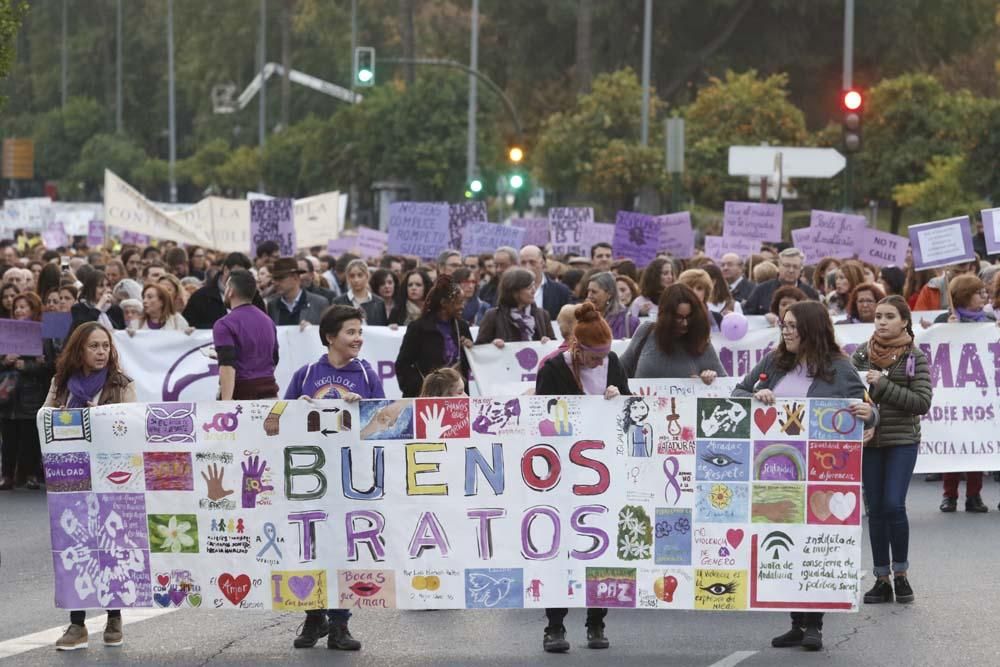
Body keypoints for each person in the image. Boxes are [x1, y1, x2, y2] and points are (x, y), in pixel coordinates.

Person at [733, 301, 876, 651]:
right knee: (783, 542)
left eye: (793, 325)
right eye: (784, 324)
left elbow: (868, 411)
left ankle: (815, 623)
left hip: (822, 474)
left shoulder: (839, 368)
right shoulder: (773, 362)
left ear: (811, 328)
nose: (786, 330)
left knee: (815, 546)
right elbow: (737, 393)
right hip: (774, 471)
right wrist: (757, 395)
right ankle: (796, 622)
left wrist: (867, 414)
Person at [535, 302, 630, 653]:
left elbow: (631, 409)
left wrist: (618, 398)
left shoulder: (614, 364)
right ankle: (554, 626)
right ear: (577, 347)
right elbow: (541, 419)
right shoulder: (553, 368)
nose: (599, 363)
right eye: (594, 357)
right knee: (560, 547)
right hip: (562, 471)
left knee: (599, 547)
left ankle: (596, 622)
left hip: (604, 471)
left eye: (604, 357)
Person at [286, 305, 379, 651]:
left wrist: (362, 406)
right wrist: (301, 406)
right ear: (330, 337)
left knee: (341, 546)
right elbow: (281, 419)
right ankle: (314, 616)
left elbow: (378, 423)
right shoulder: (307, 372)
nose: (357, 339)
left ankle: (340, 623)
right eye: (350, 332)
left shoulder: (367, 374)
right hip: (310, 476)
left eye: (360, 332)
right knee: (308, 543)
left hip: (349, 474)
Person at [48, 322, 136, 650]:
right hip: (71, 479)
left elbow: (132, 426)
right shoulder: (61, 384)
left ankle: (114, 617)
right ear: (79, 350)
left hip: (110, 476)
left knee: (110, 548)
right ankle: (77, 624)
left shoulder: (121, 384)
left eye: (105, 346)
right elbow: (44, 418)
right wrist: (57, 417)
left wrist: (104, 419)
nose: (101, 352)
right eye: (94, 346)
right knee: (74, 548)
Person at [850, 296, 932, 604]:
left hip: (901, 442)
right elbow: (846, 392)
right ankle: (881, 578)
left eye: (889, 316)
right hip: (869, 443)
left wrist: (883, 385)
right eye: (878, 317)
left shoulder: (915, 357)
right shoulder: (861, 354)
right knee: (876, 510)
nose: (881, 321)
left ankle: (901, 574)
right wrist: (864, 417)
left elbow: (922, 402)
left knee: (894, 505)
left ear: (904, 322)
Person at [932, 274, 994, 511]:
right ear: (965, 296)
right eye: (979, 293)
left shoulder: (988, 320)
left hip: (979, 392)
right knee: (953, 444)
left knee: (976, 444)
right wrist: (945, 330)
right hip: (952, 391)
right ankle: (949, 495)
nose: (984, 296)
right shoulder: (944, 318)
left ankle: (974, 496)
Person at [620, 283, 725, 382]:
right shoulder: (646, 331)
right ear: (666, 316)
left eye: (689, 317)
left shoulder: (701, 342)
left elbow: (725, 384)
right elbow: (620, 369)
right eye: (679, 318)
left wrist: (711, 379)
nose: (685, 323)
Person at [0, 292, 50, 491]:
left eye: (24, 306)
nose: (19, 310)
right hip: (8, 394)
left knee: (30, 437)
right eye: (17, 307)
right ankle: (7, 475)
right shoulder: (5, 332)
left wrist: (26, 366)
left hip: (31, 393)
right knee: (8, 438)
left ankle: (30, 474)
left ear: (34, 309)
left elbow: (48, 365)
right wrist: (5, 361)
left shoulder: (42, 333)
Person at [395, 275, 473, 398]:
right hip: (427, 399)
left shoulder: (462, 327)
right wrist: (423, 389)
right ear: (444, 303)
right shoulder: (418, 328)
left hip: (457, 399)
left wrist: (469, 350)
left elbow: (467, 367)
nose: (462, 306)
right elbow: (403, 365)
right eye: (458, 302)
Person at [213, 269, 279, 401]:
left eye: (226, 287)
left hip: (242, 397)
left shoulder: (224, 324)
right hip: (270, 395)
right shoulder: (268, 321)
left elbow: (227, 365)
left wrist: (225, 403)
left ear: (230, 291)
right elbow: (274, 358)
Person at [183, 252, 265, 329]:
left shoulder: (254, 297)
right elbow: (189, 325)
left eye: (244, 274)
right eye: (236, 273)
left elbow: (262, 324)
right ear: (226, 270)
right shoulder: (201, 297)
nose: (239, 278)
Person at [476, 268, 554, 347]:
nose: (534, 290)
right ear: (514, 292)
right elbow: (479, 348)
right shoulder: (493, 315)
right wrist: (493, 344)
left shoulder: (542, 315)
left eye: (534, 285)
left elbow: (555, 348)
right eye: (529, 287)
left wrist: (549, 342)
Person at [743, 248, 819, 315]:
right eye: (787, 265)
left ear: (801, 269)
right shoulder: (761, 290)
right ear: (779, 266)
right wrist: (765, 318)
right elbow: (747, 315)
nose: (791, 270)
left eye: (795, 267)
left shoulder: (810, 293)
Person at [267, 257, 333, 327]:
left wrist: (313, 330)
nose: (275, 283)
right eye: (274, 279)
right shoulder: (272, 305)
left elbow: (329, 332)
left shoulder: (319, 303)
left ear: (295, 278)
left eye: (280, 278)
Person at [520, 245, 571, 321]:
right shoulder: (511, 290)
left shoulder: (561, 291)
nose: (527, 267)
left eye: (532, 262)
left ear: (542, 263)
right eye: (523, 263)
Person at [70, 269, 126, 335]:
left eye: (107, 285)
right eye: (101, 286)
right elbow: (85, 328)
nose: (106, 289)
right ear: (91, 288)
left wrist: (128, 332)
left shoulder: (115, 309)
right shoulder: (78, 308)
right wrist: (99, 305)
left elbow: (121, 330)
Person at [586, 271, 639, 339]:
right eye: (588, 291)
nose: (589, 296)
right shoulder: (584, 318)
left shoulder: (629, 322)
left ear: (609, 294)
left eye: (594, 292)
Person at [333, 259, 387, 325]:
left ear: (367, 276)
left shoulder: (379, 302)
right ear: (347, 278)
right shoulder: (338, 302)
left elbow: (383, 327)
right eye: (352, 276)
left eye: (360, 275)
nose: (356, 280)